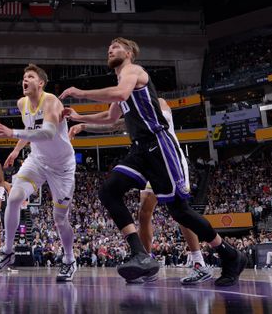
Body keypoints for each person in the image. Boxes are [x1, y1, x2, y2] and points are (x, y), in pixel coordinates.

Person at [61, 37, 246, 286]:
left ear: (129, 52)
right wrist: (79, 118)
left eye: (115, 47)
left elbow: (121, 93)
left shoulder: (133, 71)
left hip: (159, 146)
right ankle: (139, 252)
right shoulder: (120, 81)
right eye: (108, 48)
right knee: (108, 191)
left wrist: (80, 93)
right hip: (140, 150)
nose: (110, 50)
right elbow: (110, 117)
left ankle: (229, 254)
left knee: (180, 211)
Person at [69, 98, 212, 285]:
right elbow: (113, 124)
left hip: (169, 159)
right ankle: (146, 262)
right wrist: (84, 126)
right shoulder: (131, 107)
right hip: (149, 163)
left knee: (180, 211)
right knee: (144, 213)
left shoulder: (157, 102)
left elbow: (121, 120)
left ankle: (199, 262)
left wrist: (83, 119)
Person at [0, 64, 78, 282]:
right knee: (16, 196)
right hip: (37, 160)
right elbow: (30, 130)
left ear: (41, 83)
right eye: (23, 77)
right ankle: (7, 251)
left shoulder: (51, 101)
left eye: (30, 76)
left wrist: (11, 133)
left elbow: (47, 132)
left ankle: (69, 259)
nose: (24, 80)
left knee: (60, 219)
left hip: (62, 167)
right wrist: (16, 149)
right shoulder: (22, 103)